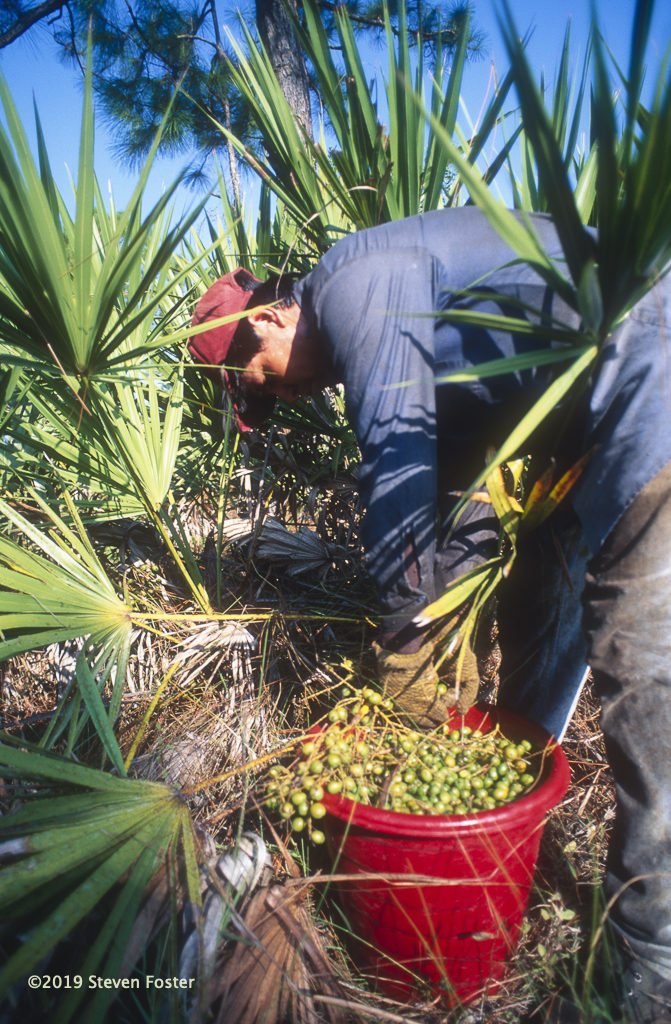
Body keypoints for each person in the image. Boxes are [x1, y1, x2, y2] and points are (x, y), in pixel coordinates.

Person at [188, 207, 671, 1022]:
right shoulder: (400, 326)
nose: (284, 391)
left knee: (638, 662)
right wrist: (443, 615)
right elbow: (449, 500)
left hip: (646, 369)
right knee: (531, 605)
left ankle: (650, 962)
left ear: (269, 316)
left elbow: (397, 471)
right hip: (581, 428)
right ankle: (501, 812)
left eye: (263, 373)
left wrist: (411, 641)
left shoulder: (354, 282)